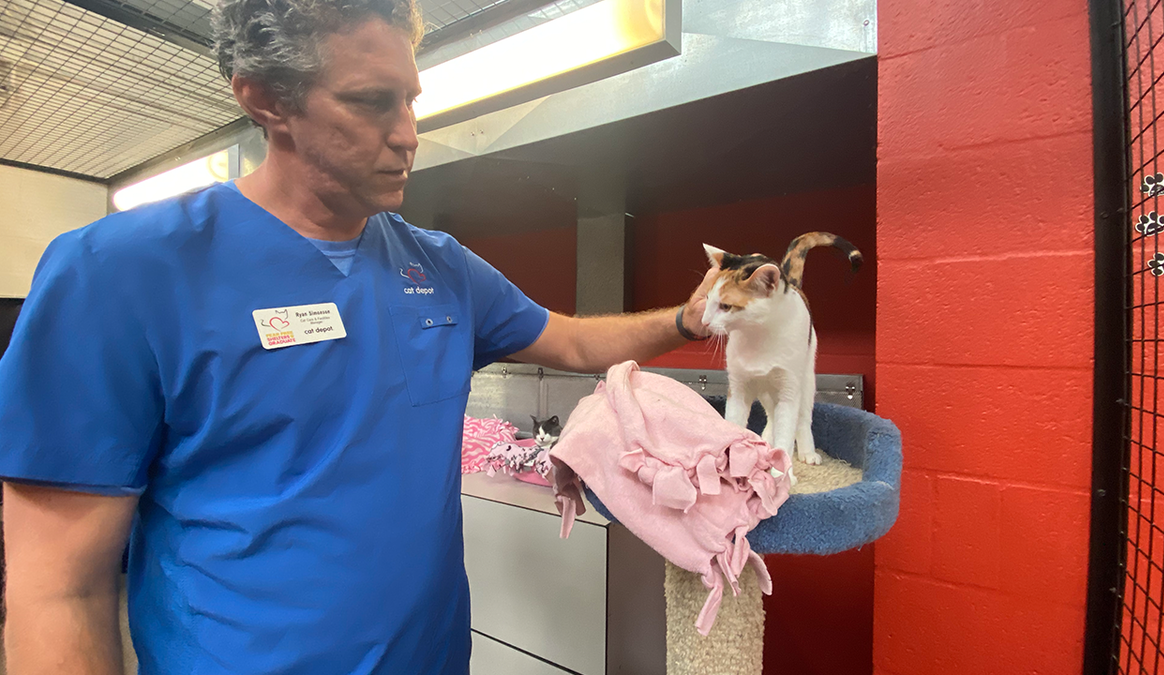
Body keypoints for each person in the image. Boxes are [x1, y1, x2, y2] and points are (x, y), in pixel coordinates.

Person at [0, 0, 716, 673]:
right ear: (265, 98)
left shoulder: (439, 266)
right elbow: (57, 587)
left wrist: (689, 318)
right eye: (372, 102)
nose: (407, 132)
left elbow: (571, 341)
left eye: (410, 100)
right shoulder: (120, 272)